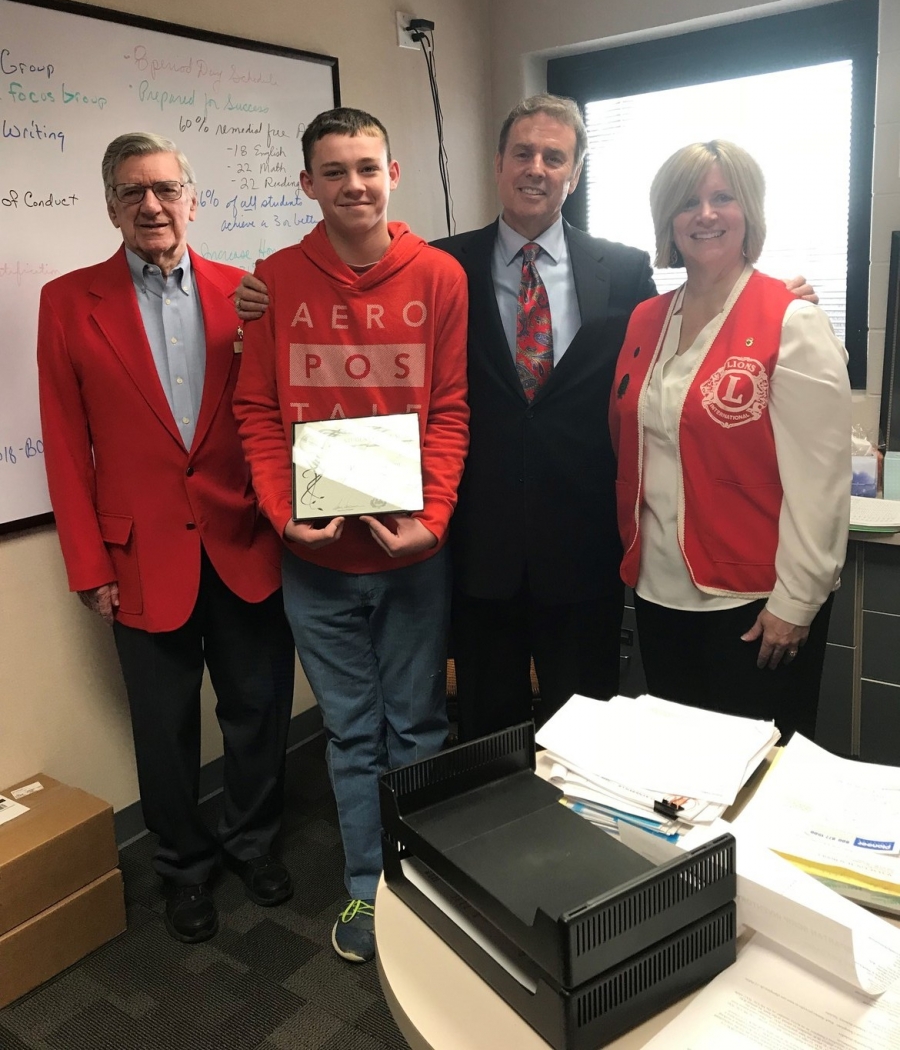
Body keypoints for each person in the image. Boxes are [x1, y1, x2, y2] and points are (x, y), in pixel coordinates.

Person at [236, 95, 817, 743]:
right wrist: (259, 291)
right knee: (487, 735)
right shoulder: (441, 266)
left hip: (587, 550)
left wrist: (772, 300)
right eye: (523, 153)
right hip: (478, 550)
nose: (536, 167)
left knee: (586, 733)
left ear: (575, 171)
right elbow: (363, 309)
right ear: (499, 164)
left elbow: (684, 341)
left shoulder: (624, 272)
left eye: (555, 156)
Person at [37, 133, 296, 945]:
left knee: (258, 710)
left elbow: (284, 411)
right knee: (164, 726)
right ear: (110, 206)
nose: (150, 206)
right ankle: (184, 866)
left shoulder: (246, 293)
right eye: (130, 193)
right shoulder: (68, 301)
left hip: (246, 542)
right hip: (139, 557)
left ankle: (253, 842)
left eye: (163, 189)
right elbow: (63, 441)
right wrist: (88, 564)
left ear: (191, 197)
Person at [232, 107, 469, 964]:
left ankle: (425, 878)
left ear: (393, 173)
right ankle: (368, 888)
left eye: (367, 167)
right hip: (316, 561)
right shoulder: (272, 280)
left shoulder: (439, 277)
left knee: (418, 726)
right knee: (351, 733)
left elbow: (448, 412)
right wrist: (280, 511)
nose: (353, 185)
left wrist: (433, 522)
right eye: (333, 172)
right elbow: (256, 411)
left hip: (411, 558)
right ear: (308, 185)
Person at [609, 139, 850, 740]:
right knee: (682, 780)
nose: (705, 214)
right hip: (660, 592)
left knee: (755, 783)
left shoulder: (791, 319)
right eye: (688, 201)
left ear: (750, 212)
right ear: (668, 220)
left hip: (755, 604)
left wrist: (795, 603)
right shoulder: (646, 319)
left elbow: (820, 483)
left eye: (723, 197)